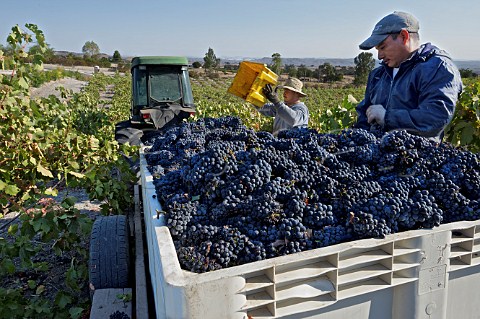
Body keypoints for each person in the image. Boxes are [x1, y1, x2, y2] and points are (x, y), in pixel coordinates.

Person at [354, 11, 463, 142]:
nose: (379, 56)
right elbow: (363, 119)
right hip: (378, 156)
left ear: (404, 36)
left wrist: (386, 117)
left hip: (416, 158)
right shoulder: (378, 75)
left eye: (382, 47)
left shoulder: (438, 68)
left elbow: (435, 118)